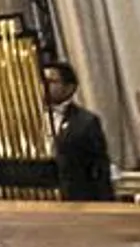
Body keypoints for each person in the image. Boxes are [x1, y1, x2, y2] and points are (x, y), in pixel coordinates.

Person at [44, 61, 114, 201]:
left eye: (52, 81)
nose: (44, 86)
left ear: (70, 88)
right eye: (43, 81)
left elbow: (99, 168)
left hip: (75, 198)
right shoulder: (27, 118)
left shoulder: (86, 122)